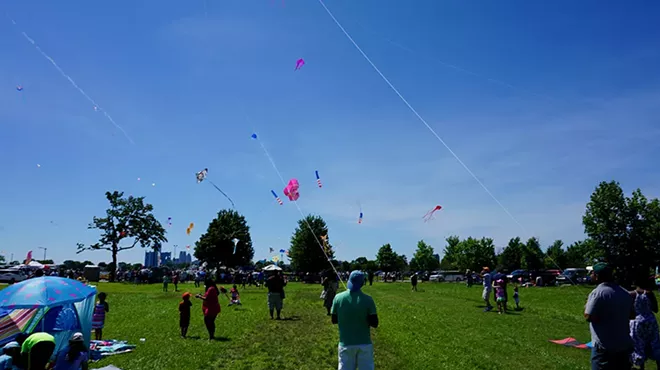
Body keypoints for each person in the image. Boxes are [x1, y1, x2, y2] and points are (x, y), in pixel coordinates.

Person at [584, 262, 634, 370]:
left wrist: (587, 306)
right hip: (624, 346)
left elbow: (589, 316)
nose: (590, 275)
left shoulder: (597, 292)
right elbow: (632, 314)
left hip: (604, 348)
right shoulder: (624, 292)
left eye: (592, 273)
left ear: (597, 276)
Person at [331, 271, 378, 370]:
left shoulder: (338, 298)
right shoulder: (368, 300)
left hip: (346, 343)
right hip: (364, 344)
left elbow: (334, 320)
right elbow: (374, 323)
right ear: (362, 283)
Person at [629, 274, 660, 369]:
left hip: (637, 322)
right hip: (650, 322)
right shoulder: (650, 293)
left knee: (638, 346)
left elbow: (629, 310)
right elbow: (655, 309)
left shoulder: (632, 294)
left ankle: (640, 366)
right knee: (654, 344)